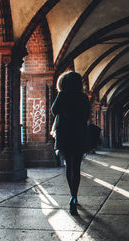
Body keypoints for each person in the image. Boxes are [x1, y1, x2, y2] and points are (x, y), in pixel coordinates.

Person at [51, 71, 90, 216]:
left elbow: (54, 111)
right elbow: (86, 116)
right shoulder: (83, 97)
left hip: (65, 134)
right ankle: (74, 196)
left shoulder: (62, 95)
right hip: (79, 134)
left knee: (68, 166)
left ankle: (72, 195)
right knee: (77, 167)